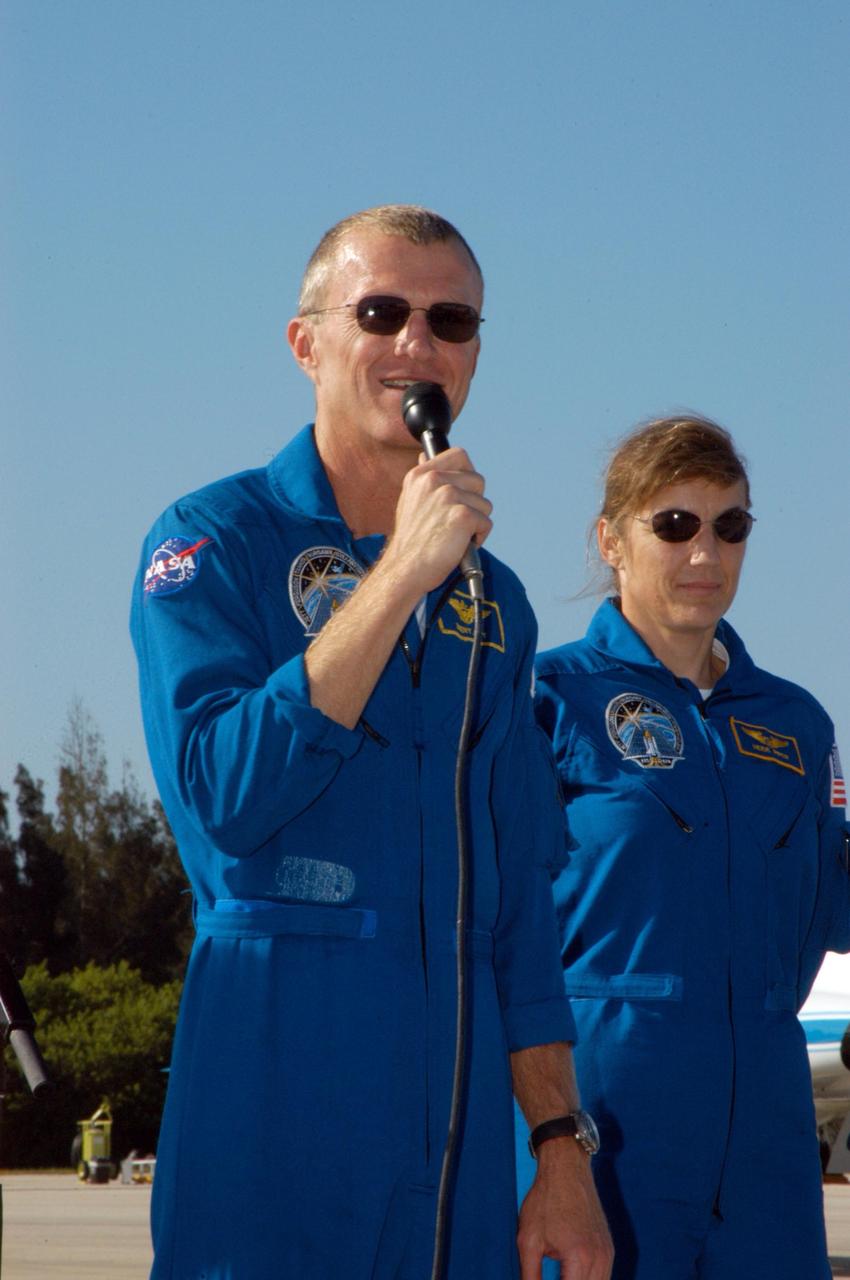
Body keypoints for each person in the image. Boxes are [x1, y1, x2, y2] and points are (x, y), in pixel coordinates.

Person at [131, 205, 612, 1280]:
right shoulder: (211, 541)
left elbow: (518, 906)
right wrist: (399, 574)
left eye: (450, 320)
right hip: (272, 1086)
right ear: (306, 343)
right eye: (381, 311)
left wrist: (558, 1149)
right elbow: (223, 794)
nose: (417, 344)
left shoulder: (497, 603)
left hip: (454, 1129)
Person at [515, 414, 850, 1278]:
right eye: (675, 524)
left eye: (730, 526)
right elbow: (493, 928)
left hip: (770, 1149)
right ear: (612, 539)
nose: (706, 551)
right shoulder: (545, 701)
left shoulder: (798, 725)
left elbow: (829, 902)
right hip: (603, 1129)